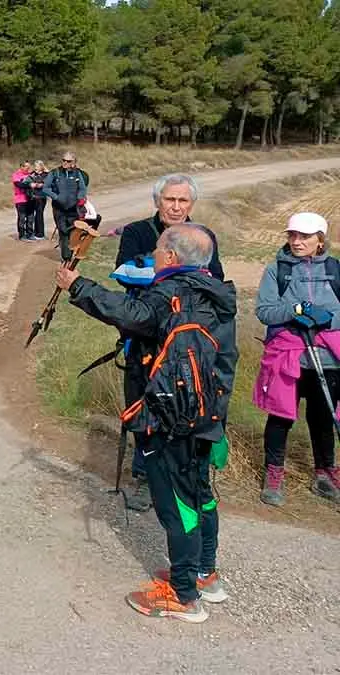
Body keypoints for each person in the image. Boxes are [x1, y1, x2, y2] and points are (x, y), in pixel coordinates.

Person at [57, 224, 237, 624]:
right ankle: (204, 574)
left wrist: (77, 286)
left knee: (178, 507)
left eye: (157, 250)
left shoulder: (169, 293)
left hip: (171, 417)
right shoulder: (213, 295)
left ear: (172, 257)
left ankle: (184, 594)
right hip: (205, 414)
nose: (154, 255)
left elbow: (131, 314)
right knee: (200, 495)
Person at [114, 175, 227, 510]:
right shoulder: (136, 232)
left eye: (183, 201)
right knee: (142, 405)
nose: (176, 207)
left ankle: (186, 477)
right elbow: (123, 273)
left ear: (191, 205)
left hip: (188, 341)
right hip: (145, 337)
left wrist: (155, 270)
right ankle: (144, 476)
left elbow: (216, 279)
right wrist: (182, 276)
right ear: (157, 201)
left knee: (183, 407)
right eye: (170, 199)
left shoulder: (203, 236)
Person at [254, 212, 340, 505]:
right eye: (292, 235)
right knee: (280, 418)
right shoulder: (276, 270)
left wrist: (326, 319)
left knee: (322, 418)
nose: (297, 241)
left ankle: (325, 474)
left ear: (320, 240)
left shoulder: (335, 269)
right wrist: (295, 311)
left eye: (304, 236)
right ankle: (274, 474)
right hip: (287, 355)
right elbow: (265, 311)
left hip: (328, 359)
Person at [43, 151, 88, 261]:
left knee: (73, 231)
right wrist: (56, 197)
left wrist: (80, 198)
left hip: (73, 208)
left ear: (74, 162)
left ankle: (71, 252)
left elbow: (83, 188)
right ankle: (66, 257)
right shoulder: (55, 173)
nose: (65, 163)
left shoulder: (78, 174)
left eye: (68, 161)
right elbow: (45, 188)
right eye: (63, 160)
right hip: (59, 208)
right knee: (63, 231)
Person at [11, 160, 34, 241]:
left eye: (29, 167)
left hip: (30, 198)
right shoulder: (16, 175)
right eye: (26, 167)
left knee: (30, 217)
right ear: (21, 167)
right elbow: (18, 184)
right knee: (22, 217)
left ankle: (30, 234)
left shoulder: (31, 175)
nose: (28, 168)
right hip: (20, 199)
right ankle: (22, 235)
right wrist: (29, 185)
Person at [27, 160, 49, 241]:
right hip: (32, 196)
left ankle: (40, 234)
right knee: (31, 215)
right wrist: (30, 184)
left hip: (41, 197)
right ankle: (31, 233)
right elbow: (27, 181)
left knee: (39, 214)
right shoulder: (32, 173)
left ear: (41, 166)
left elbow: (44, 184)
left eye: (37, 165)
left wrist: (36, 184)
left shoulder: (46, 174)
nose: (35, 167)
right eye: (35, 165)